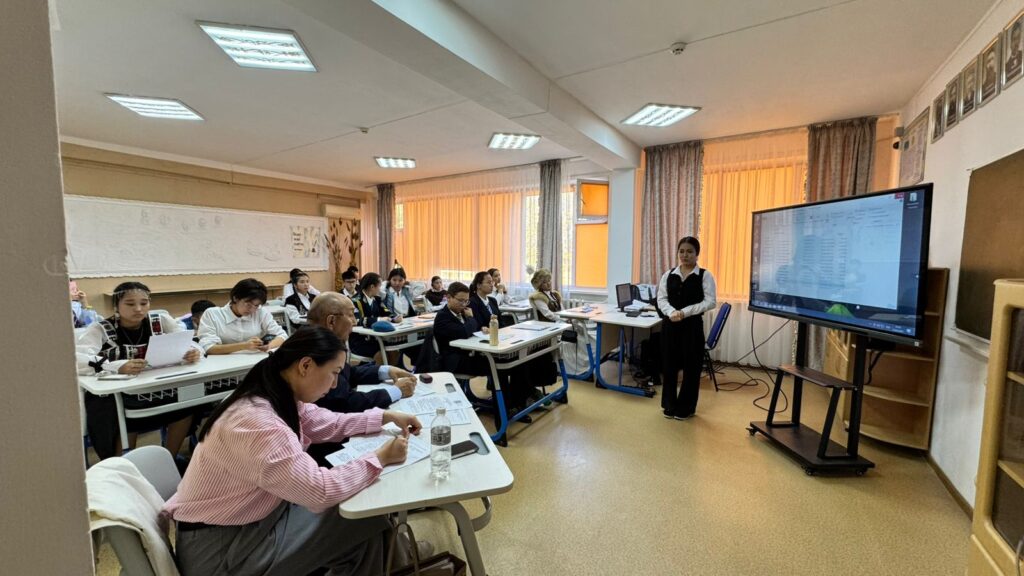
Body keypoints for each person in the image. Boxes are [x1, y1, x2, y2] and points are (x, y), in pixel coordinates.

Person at [163, 326, 422, 576]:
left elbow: (327, 422)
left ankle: (398, 559)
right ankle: (400, 558)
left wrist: (384, 417)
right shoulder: (257, 422)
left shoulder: (274, 394)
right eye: (333, 373)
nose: (334, 384)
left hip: (248, 523)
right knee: (360, 517)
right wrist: (380, 457)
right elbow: (319, 491)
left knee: (360, 518)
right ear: (306, 365)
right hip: (221, 553)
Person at [76, 282, 202, 459]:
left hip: (156, 386)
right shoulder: (100, 329)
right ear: (116, 305)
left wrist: (192, 352)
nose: (138, 309)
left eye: (144, 303)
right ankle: (125, 466)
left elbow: (189, 341)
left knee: (187, 403)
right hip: (117, 394)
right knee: (120, 416)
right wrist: (116, 366)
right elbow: (78, 359)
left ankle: (169, 458)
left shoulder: (161, 321)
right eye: (130, 304)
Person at [434, 282, 532, 421]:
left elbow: (473, 327)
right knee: (498, 367)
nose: (464, 304)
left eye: (466, 301)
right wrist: (471, 319)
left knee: (517, 361)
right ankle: (502, 414)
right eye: (460, 300)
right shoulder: (442, 316)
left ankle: (517, 404)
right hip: (456, 360)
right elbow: (464, 331)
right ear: (448, 297)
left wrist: (480, 328)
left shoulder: (462, 312)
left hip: (471, 354)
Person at [657, 237, 717, 420]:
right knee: (669, 366)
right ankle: (669, 405)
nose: (685, 255)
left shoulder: (704, 275)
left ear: (697, 254)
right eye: (682, 251)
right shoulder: (668, 275)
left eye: (690, 251)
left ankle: (686, 408)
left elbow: (710, 302)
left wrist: (685, 312)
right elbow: (661, 299)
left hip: (692, 327)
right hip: (671, 326)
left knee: (692, 368)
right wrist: (671, 312)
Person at [198, 278, 287, 355]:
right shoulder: (213, 314)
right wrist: (244, 346)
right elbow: (208, 347)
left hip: (256, 361)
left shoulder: (260, 312)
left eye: (256, 305)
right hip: (225, 365)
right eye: (248, 304)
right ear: (235, 298)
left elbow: (282, 335)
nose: (252, 310)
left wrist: (269, 345)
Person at [350, 273, 398, 360]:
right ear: (372, 287)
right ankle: (377, 368)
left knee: (394, 350)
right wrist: (378, 319)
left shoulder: (377, 299)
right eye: (379, 286)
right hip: (360, 340)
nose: (380, 289)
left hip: (376, 337)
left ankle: (392, 368)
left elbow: (387, 313)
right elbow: (357, 320)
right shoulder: (355, 301)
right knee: (380, 354)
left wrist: (394, 318)